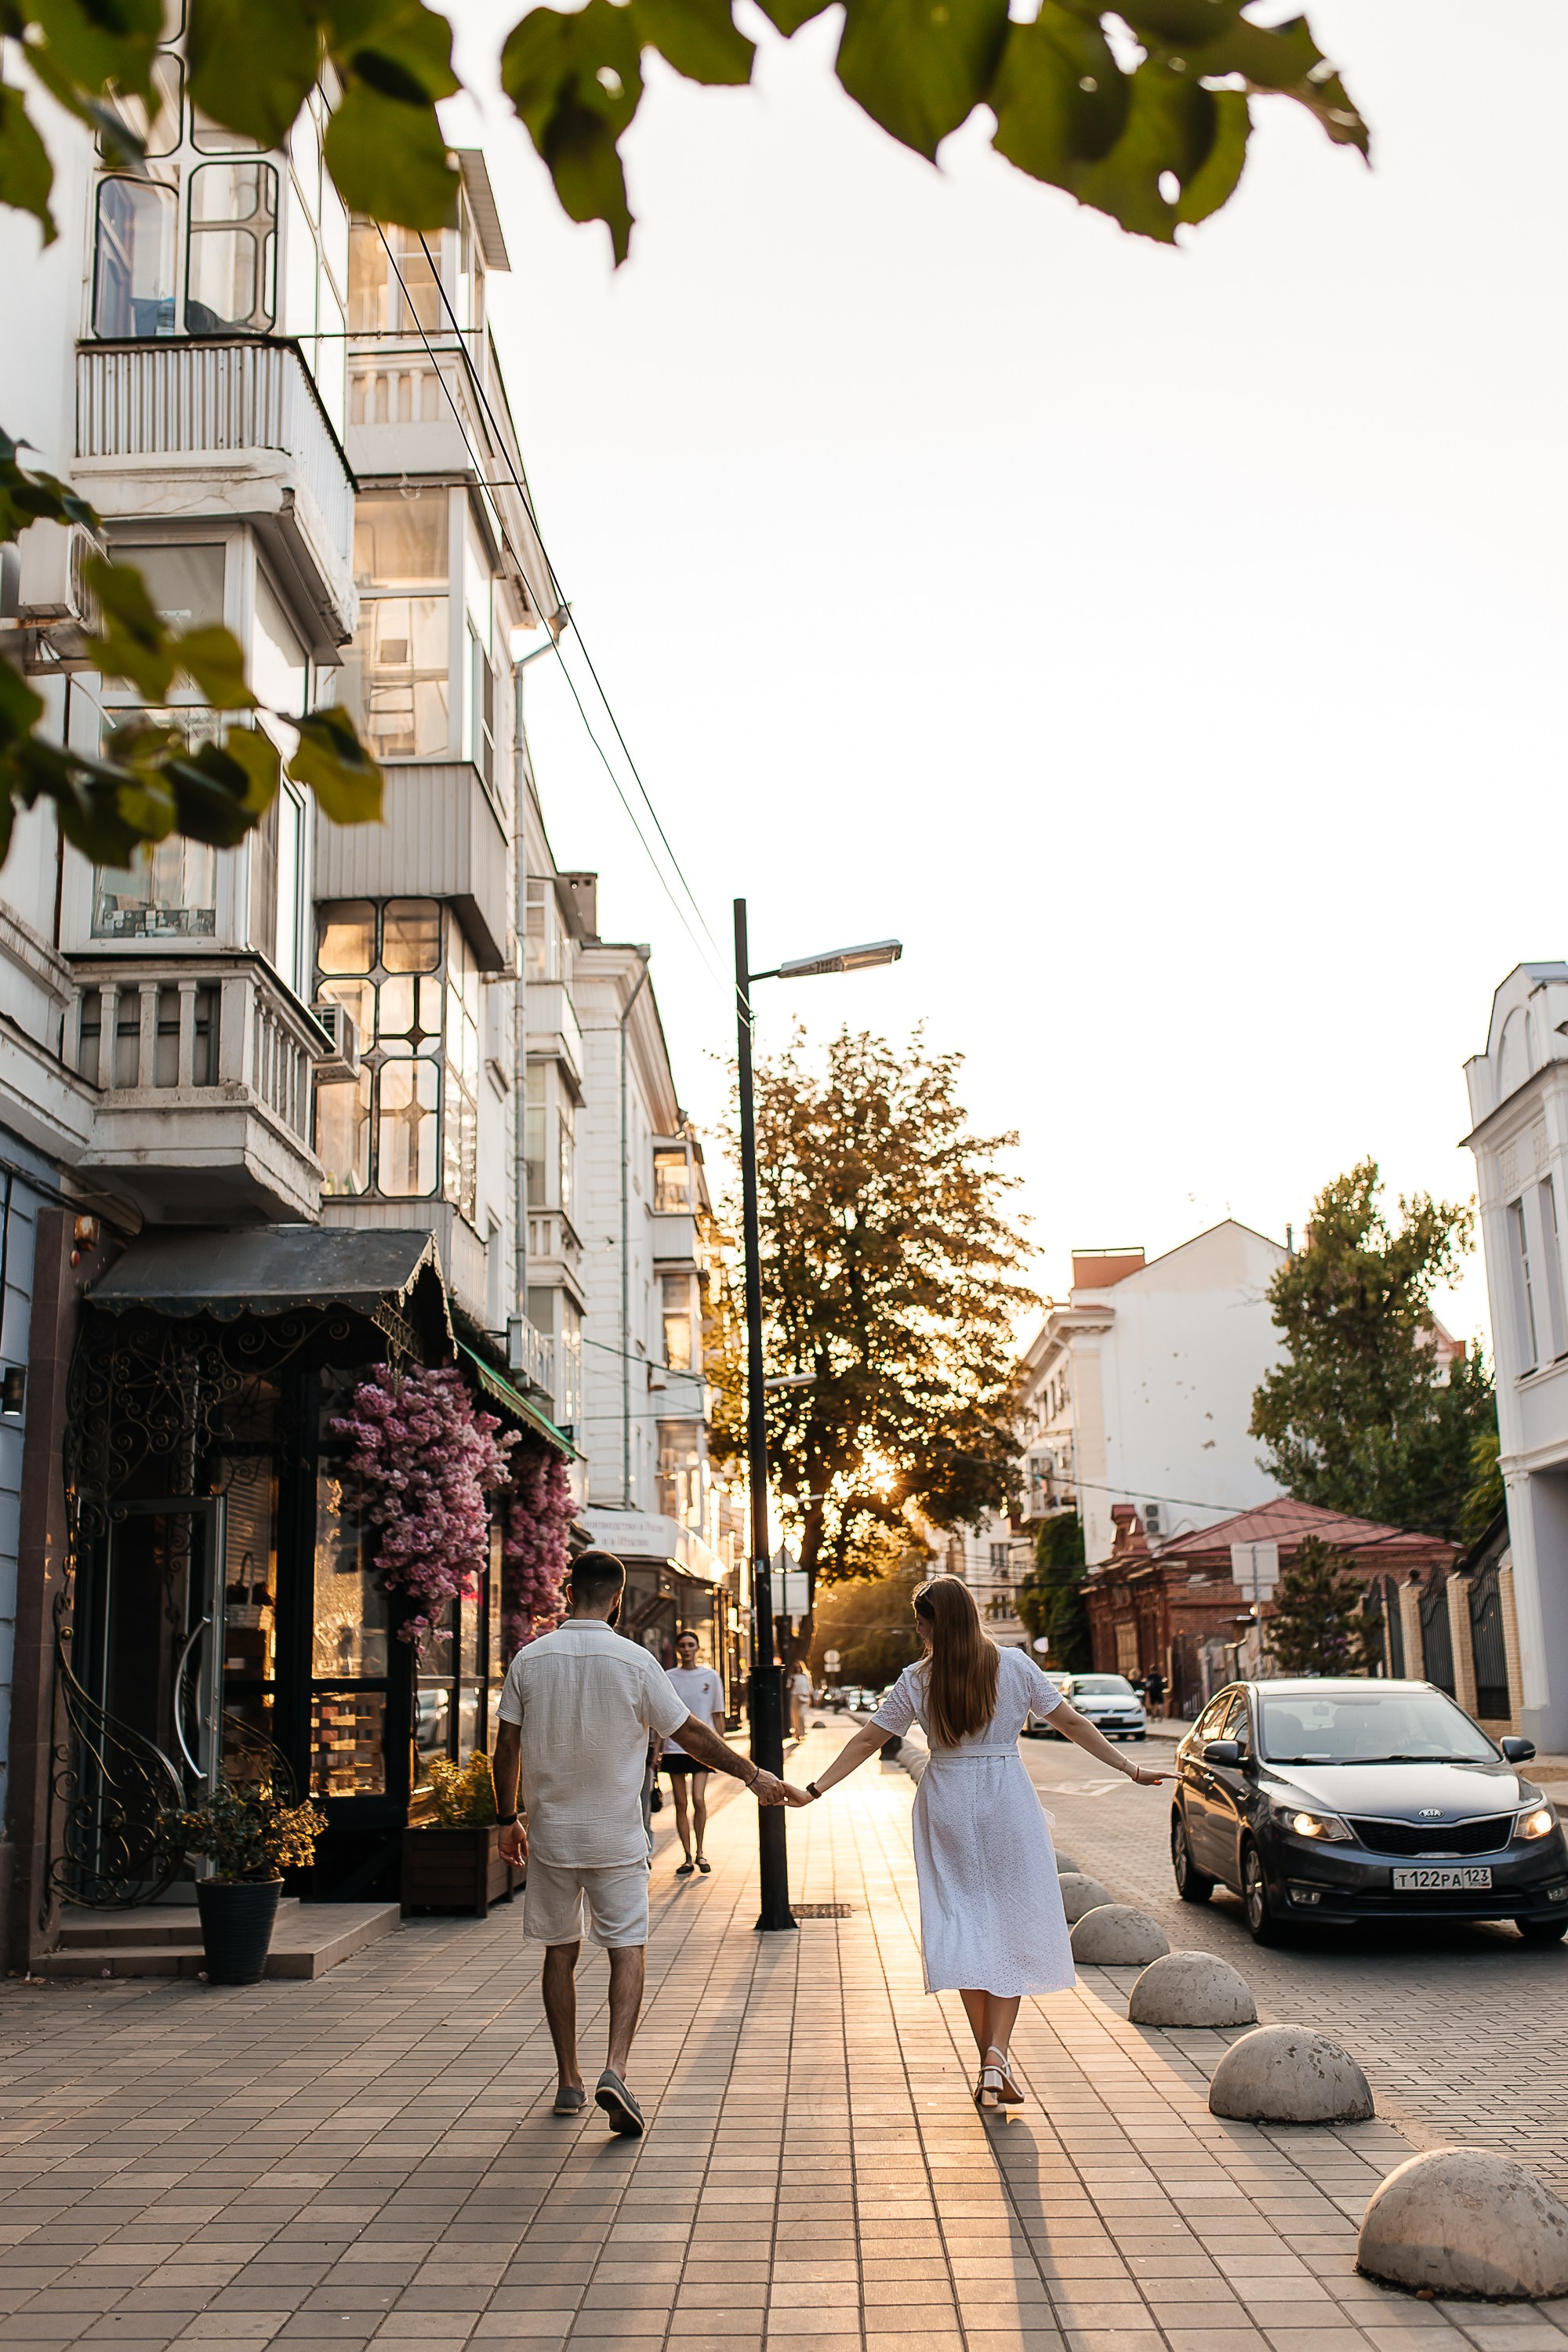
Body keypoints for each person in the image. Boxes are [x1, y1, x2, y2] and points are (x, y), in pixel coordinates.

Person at [782, 1574, 1172, 2111]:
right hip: (1006, 1798)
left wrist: (814, 1788)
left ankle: (990, 2060)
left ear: (936, 1623)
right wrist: (1130, 1768)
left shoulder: (917, 1679)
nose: (917, 1630)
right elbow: (1071, 1722)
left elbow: (871, 1737)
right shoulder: (1014, 1665)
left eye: (920, 1622)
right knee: (1011, 1922)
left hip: (945, 1798)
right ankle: (997, 2056)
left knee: (964, 1923)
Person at [493, 1549, 787, 2137]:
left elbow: (506, 1748)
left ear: (568, 1591)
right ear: (619, 1600)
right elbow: (694, 1735)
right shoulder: (635, 1661)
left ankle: (569, 2080)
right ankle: (616, 2069)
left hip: (551, 1835)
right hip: (618, 1837)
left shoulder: (530, 1660)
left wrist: (507, 1818)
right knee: (626, 1946)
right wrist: (754, 1776)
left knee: (560, 1949)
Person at [662, 1628, 725, 1875]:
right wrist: (657, 1750)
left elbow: (718, 1714)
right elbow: (662, 1713)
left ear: (697, 1648)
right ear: (677, 1649)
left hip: (703, 1747)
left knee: (698, 1799)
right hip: (674, 1747)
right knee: (680, 1803)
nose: (687, 1649)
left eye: (691, 1645)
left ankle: (701, 1852)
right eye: (683, 1645)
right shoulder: (668, 1676)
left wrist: (722, 1749)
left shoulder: (711, 1677)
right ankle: (687, 1857)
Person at [788, 1662, 812, 1742]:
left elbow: (810, 1688)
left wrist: (810, 1699)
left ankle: (802, 1732)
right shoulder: (792, 1677)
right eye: (796, 1667)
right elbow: (788, 1686)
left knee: (801, 1715)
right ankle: (797, 1733)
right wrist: (792, 1681)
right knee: (795, 1716)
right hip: (795, 1696)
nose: (798, 1669)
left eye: (799, 1667)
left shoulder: (805, 1676)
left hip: (804, 1697)